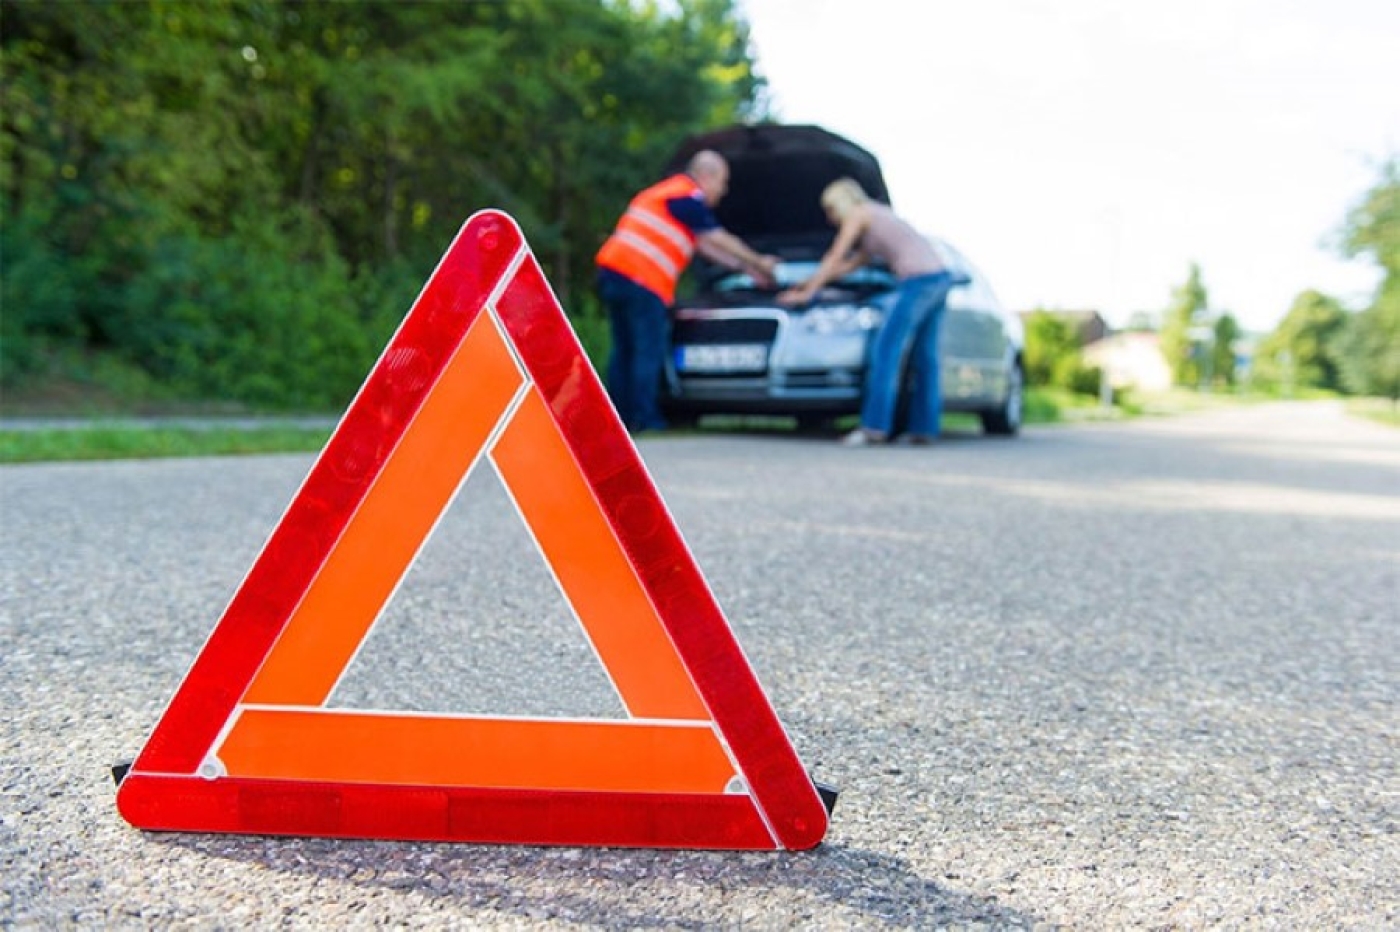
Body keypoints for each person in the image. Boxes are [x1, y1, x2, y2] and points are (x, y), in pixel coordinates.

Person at [596, 150, 779, 432]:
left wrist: (747, 272)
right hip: (641, 279)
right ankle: (645, 419)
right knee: (648, 349)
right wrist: (760, 262)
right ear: (707, 176)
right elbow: (717, 238)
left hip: (614, 273)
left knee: (625, 350)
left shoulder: (669, 196)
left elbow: (704, 246)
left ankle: (618, 419)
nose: (724, 190)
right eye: (723, 182)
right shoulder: (686, 195)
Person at [779, 178, 958, 446]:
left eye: (830, 210)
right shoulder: (876, 218)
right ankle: (923, 430)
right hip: (939, 278)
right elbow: (849, 266)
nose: (830, 219)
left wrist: (808, 294)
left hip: (917, 282)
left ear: (841, 202)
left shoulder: (860, 213)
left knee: (886, 350)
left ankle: (874, 427)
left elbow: (835, 255)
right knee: (925, 359)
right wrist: (806, 282)